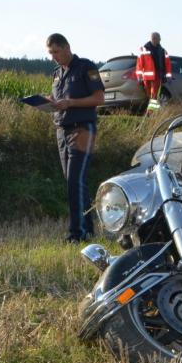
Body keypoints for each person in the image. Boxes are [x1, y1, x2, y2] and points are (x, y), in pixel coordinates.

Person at [45, 33, 105, 243]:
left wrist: (70, 103)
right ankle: (88, 229)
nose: (54, 57)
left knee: (74, 181)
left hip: (82, 129)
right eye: (50, 53)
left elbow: (99, 98)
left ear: (67, 47)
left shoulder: (86, 67)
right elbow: (58, 99)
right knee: (75, 181)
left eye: (56, 51)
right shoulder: (56, 73)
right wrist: (49, 102)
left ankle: (76, 234)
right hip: (61, 129)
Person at [137, 32, 172, 112]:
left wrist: (168, 76)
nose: (159, 41)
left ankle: (151, 112)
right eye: (158, 39)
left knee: (154, 95)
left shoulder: (163, 51)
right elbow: (139, 63)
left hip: (157, 76)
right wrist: (139, 76)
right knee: (150, 95)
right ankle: (152, 111)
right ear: (154, 39)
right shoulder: (144, 49)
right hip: (147, 77)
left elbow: (167, 64)